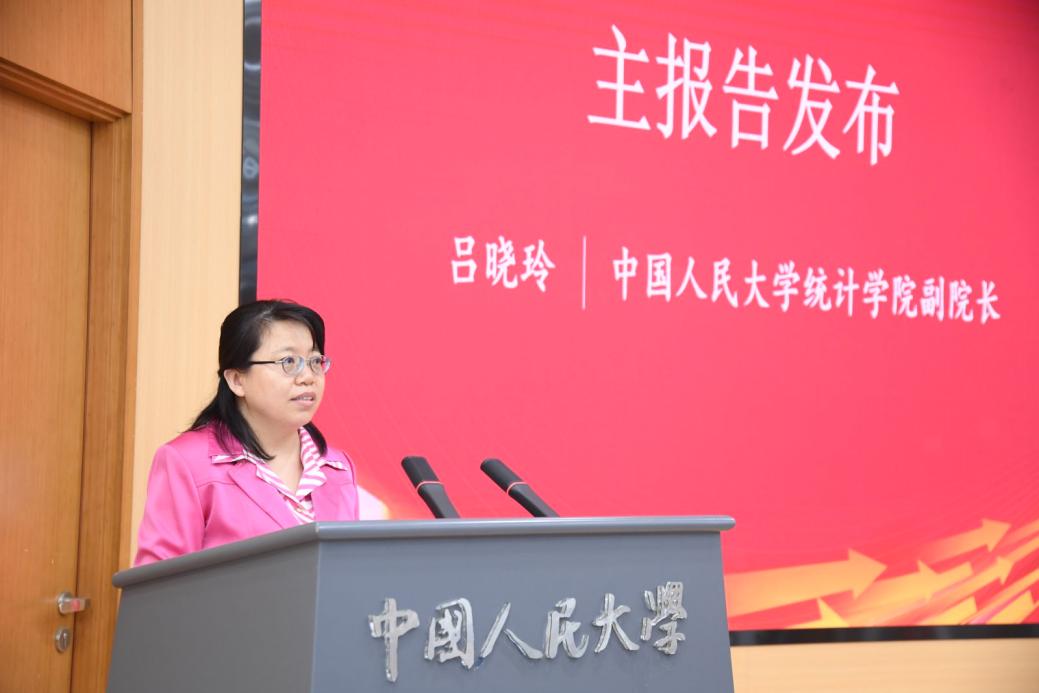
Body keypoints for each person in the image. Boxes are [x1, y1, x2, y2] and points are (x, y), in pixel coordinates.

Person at [135, 300, 359, 565]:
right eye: (288, 361)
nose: (308, 377)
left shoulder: (337, 467)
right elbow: (160, 583)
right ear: (237, 380)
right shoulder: (186, 462)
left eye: (314, 361)